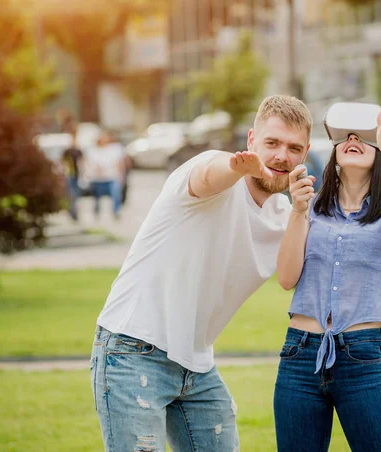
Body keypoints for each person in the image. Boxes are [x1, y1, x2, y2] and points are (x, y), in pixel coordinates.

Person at [90, 95, 314, 451]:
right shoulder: (215, 168)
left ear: (305, 154)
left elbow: (292, 277)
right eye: (271, 143)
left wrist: (302, 212)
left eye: (293, 148)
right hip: (132, 350)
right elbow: (209, 177)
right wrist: (239, 168)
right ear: (251, 141)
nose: (281, 156)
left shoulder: (284, 215)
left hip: (195, 365)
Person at [273, 101, 381, 452]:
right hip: (299, 356)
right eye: (345, 136)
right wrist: (297, 210)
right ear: (334, 151)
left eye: (363, 137)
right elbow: (285, 277)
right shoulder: (309, 207)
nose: (353, 139)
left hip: (363, 360)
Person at [84, 131, 126, 220]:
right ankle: (96, 211)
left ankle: (116, 211)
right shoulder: (93, 151)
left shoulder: (115, 149)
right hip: (97, 179)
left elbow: (120, 163)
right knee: (96, 197)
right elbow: (89, 164)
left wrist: (122, 176)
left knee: (116, 193)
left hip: (112, 177)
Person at [61, 127, 83, 221]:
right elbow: (63, 162)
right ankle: (72, 212)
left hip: (77, 174)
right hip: (69, 174)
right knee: (72, 194)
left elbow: (82, 162)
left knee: (75, 194)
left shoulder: (78, 151)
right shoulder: (67, 151)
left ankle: (73, 211)